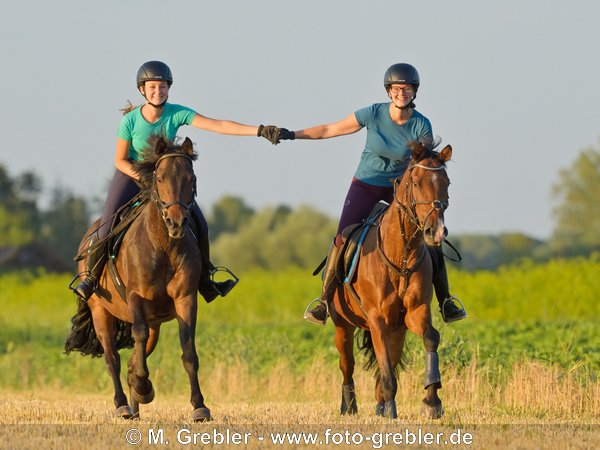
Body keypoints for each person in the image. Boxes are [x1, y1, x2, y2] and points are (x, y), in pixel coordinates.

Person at [72, 60, 282, 303]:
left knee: (199, 223)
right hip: (133, 174)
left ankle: (206, 279)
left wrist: (259, 130)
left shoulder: (177, 113)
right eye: (152, 87)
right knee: (107, 225)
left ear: (168, 89)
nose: (157, 92)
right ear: (142, 90)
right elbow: (119, 160)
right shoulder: (130, 121)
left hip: (166, 178)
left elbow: (219, 125)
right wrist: (143, 177)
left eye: (162, 87)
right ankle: (91, 277)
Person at [275, 63, 467, 325]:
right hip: (365, 183)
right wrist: (292, 135)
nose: (402, 92)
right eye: (397, 88)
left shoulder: (422, 125)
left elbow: (423, 165)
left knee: (430, 238)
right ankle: (324, 300)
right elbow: (331, 129)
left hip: (399, 191)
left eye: (408, 88)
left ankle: (446, 301)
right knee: (343, 237)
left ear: (414, 92)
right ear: (389, 91)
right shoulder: (373, 114)